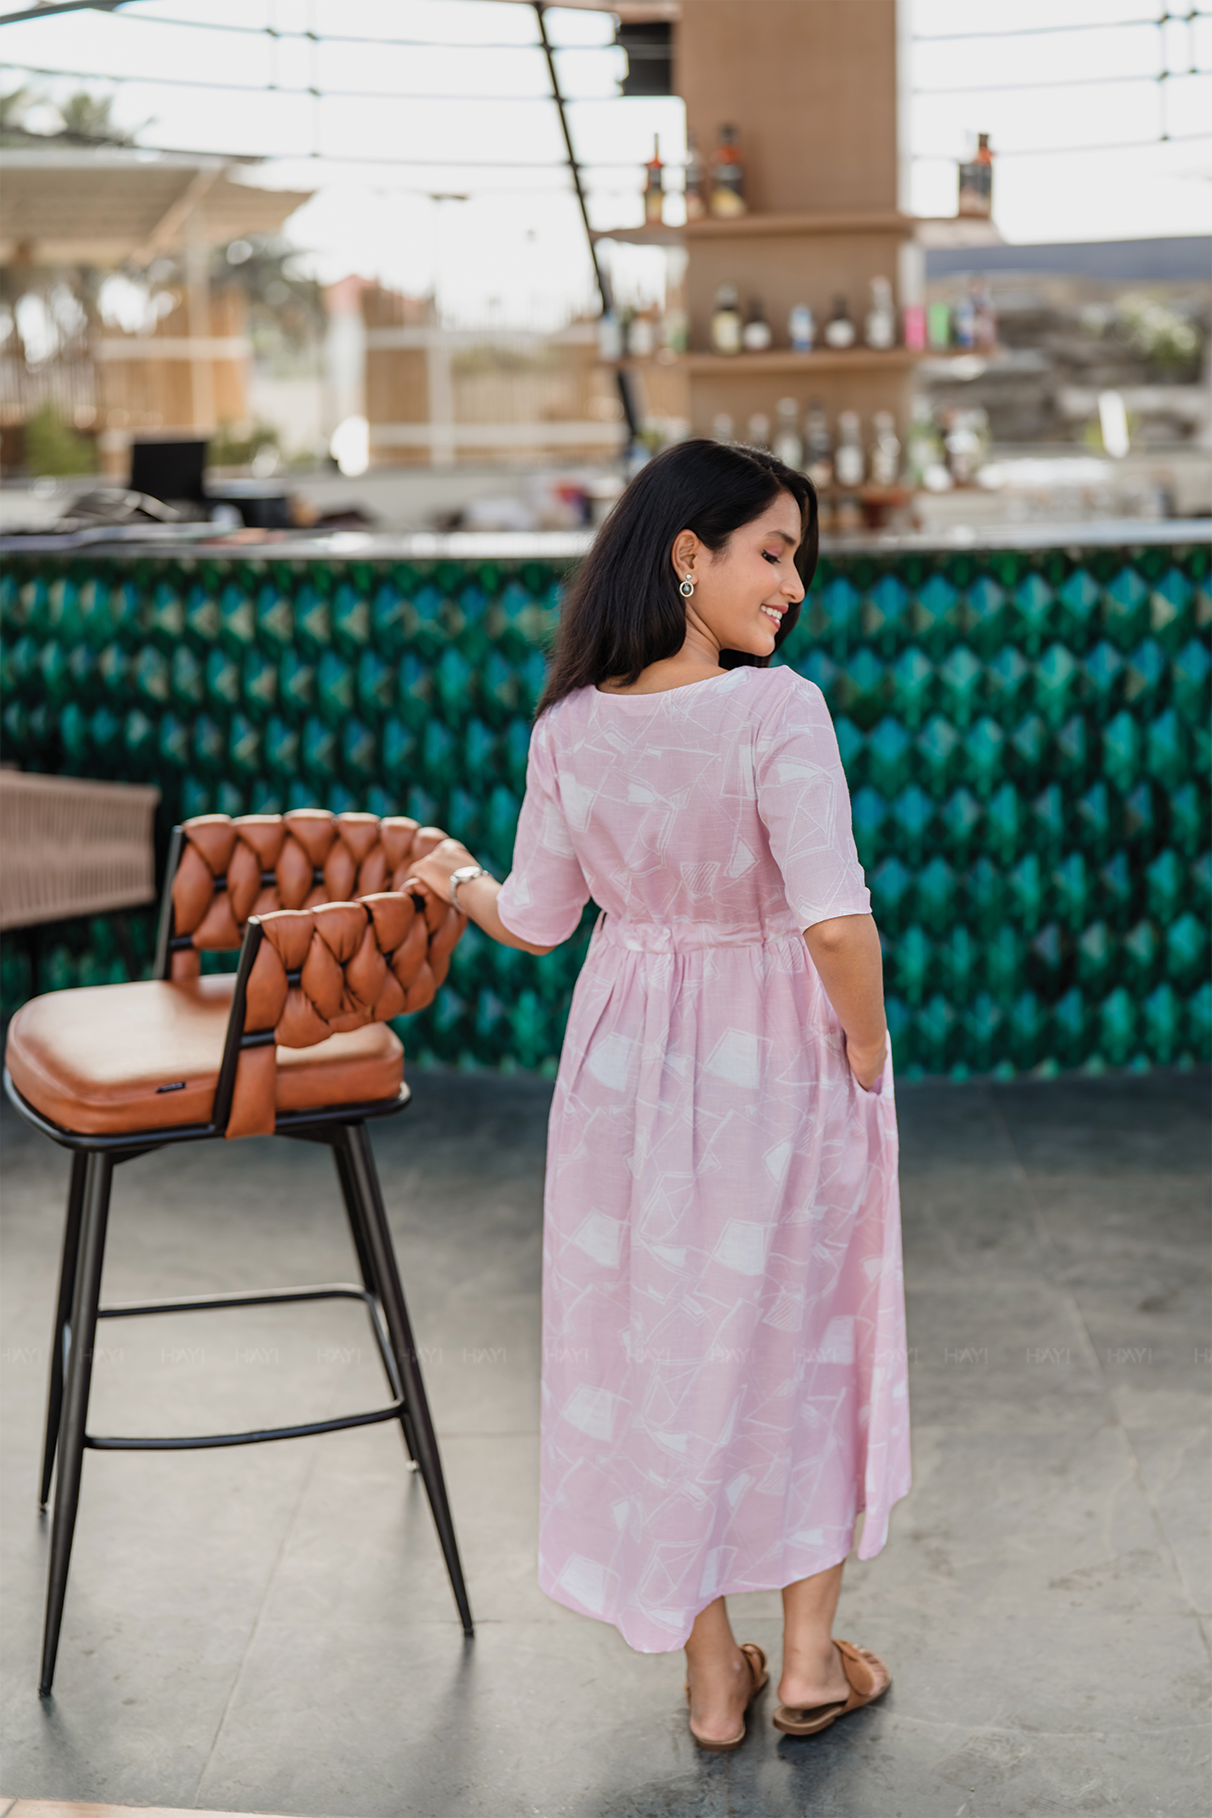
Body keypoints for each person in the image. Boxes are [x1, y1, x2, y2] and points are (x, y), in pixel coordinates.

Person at [411, 439, 911, 1750]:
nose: (792, 583)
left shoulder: (569, 728)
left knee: (656, 1352)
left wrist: (453, 875)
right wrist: (864, 1051)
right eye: (774, 550)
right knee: (803, 1339)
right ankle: (805, 1663)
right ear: (689, 555)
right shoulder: (774, 711)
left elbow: (533, 915)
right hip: (772, 1062)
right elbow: (838, 925)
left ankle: (710, 1683)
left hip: (622, 1075)